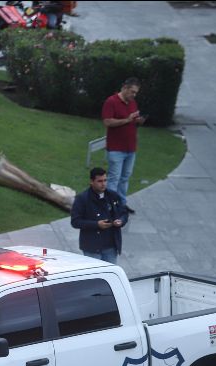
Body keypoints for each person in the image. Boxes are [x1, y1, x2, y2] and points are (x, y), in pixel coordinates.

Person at [101, 77, 145, 214]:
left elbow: (132, 120)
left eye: (136, 93)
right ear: (124, 88)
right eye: (132, 92)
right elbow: (107, 122)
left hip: (130, 148)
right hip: (116, 148)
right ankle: (110, 206)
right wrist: (127, 120)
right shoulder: (111, 102)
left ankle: (121, 203)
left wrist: (138, 121)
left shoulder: (132, 103)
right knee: (114, 178)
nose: (134, 95)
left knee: (125, 177)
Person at [70, 167, 128, 264]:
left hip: (111, 246)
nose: (103, 184)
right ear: (92, 182)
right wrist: (96, 224)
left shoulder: (113, 196)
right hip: (92, 247)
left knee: (110, 275)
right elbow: (75, 222)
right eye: (100, 181)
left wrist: (121, 221)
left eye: (105, 180)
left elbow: (124, 212)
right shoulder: (82, 199)